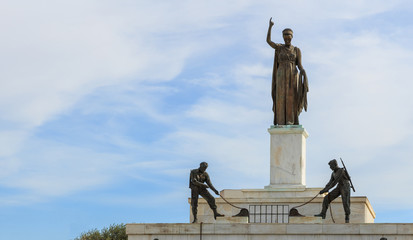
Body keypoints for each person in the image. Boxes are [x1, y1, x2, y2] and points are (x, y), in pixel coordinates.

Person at [266, 17, 308, 125]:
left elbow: (300, 65)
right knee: (281, 98)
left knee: (291, 98)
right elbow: (268, 41)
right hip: (280, 75)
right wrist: (270, 27)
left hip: (292, 75)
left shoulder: (296, 50)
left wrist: (303, 71)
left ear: (291, 37)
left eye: (289, 38)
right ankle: (281, 121)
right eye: (285, 38)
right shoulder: (279, 48)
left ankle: (290, 120)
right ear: (283, 38)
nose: (287, 40)